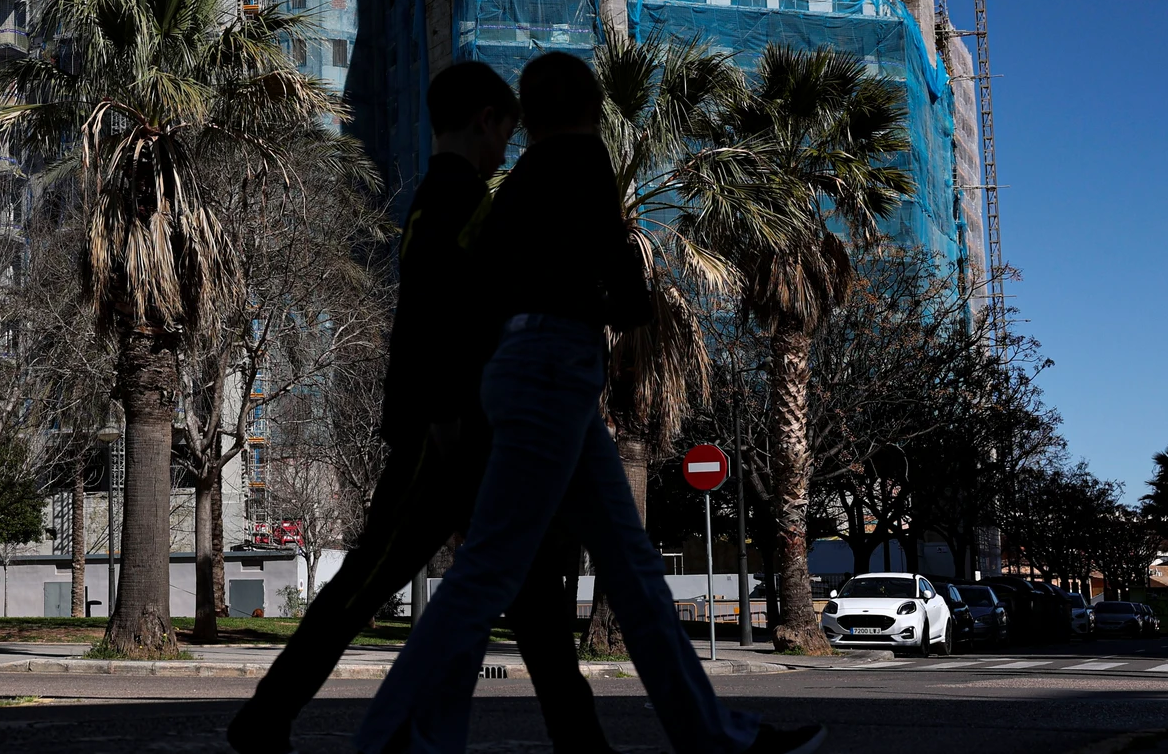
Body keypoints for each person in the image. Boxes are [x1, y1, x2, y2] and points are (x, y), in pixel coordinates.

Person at [352, 54, 824, 754]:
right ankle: (388, 733)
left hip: (523, 373)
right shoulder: (585, 160)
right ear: (591, 108)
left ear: (530, 115)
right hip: (557, 366)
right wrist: (610, 289)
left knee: (629, 568)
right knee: (492, 570)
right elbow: (630, 297)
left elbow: (476, 301)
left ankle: (715, 735)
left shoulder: (512, 191)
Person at [228, 61, 613, 754]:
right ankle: (266, 716)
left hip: (463, 428)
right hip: (443, 433)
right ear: (487, 120)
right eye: (505, 131)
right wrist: (442, 415)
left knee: (530, 598)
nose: (508, 148)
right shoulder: (459, 198)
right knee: (368, 583)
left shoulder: (441, 197)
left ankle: (579, 739)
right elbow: (438, 313)